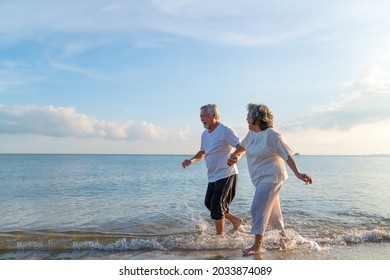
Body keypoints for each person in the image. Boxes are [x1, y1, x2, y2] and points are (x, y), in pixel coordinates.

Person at [227, 103, 312, 255]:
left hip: (272, 177)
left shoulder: (271, 135)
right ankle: (284, 239)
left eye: (248, 115)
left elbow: (286, 155)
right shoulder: (252, 134)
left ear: (257, 118)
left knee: (257, 208)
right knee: (273, 212)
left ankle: (257, 246)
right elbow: (241, 148)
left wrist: (298, 173)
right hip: (259, 179)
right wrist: (235, 156)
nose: (246, 118)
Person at [182, 104, 243, 235]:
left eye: (205, 116)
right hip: (213, 176)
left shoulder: (225, 130)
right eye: (200, 116)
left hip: (227, 173)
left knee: (216, 205)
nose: (202, 119)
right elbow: (203, 152)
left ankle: (220, 236)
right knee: (209, 203)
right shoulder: (204, 134)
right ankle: (235, 220)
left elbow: (241, 146)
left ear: (214, 116)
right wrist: (191, 160)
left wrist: (236, 156)